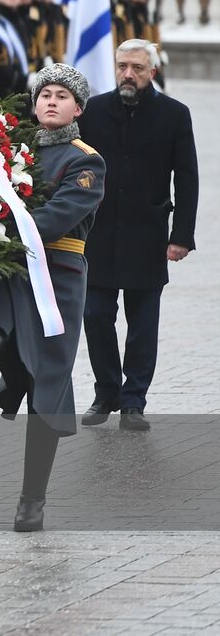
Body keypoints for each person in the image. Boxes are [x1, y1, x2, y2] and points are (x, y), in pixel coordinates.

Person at [0, 64, 105, 532]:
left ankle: (32, 498)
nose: (51, 102)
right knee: (0, 326)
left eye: (62, 96)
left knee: (48, 377)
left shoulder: (86, 161)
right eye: (45, 95)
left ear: (78, 108)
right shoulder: (10, 152)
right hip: (10, 268)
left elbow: (58, 217)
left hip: (57, 276)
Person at [79, 40, 197, 431]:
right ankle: (106, 391)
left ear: (152, 72)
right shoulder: (94, 111)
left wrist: (181, 235)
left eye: (137, 68)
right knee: (95, 316)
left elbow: (188, 178)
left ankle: (134, 401)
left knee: (142, 324)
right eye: (122, 66)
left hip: (147, 234)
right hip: (98, 233)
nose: (128, 74)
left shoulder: (174, 114)